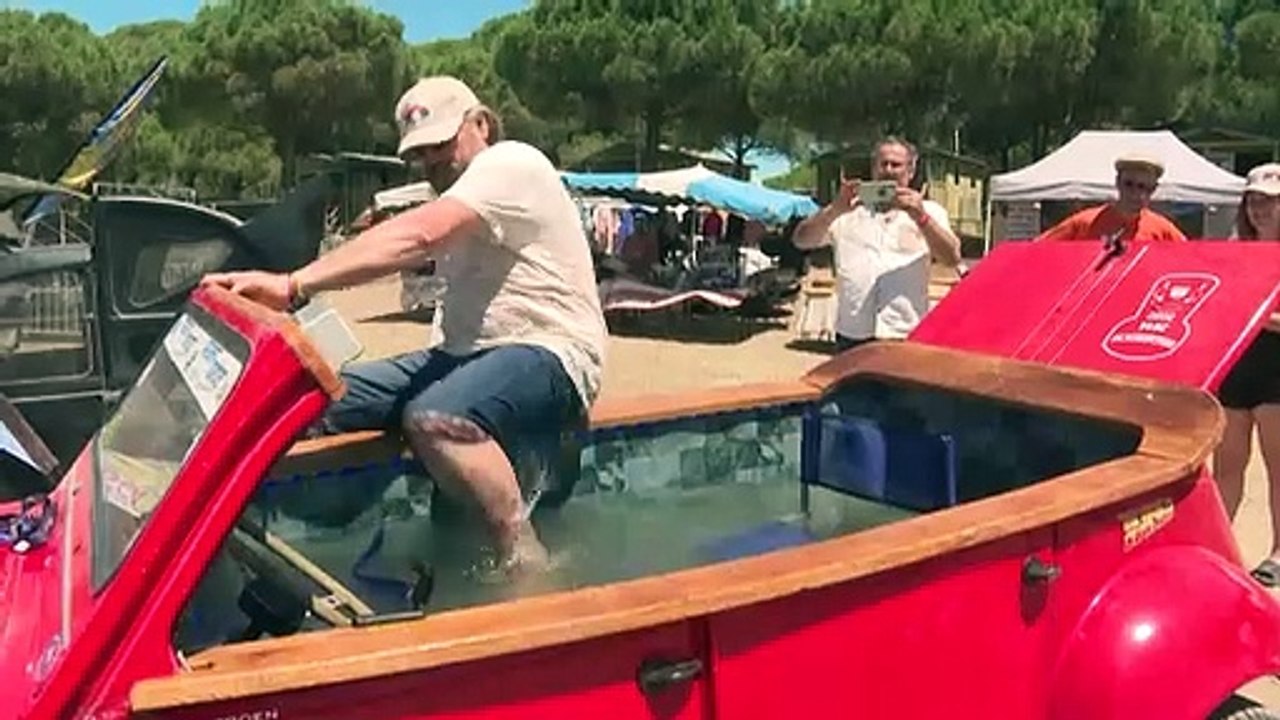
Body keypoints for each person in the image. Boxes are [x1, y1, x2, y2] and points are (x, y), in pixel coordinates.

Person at [201, 75, 608, 574]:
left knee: (435, 417)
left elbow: (417, 236)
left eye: (441, 144)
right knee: (315, 397)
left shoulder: (511, 163)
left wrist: (293, 284)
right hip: (467, 357)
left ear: (480, 124)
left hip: (552, 355)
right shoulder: (462, 197)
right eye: (420, 153)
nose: (432, 161)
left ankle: (523, 556)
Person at [792, 137, 962, 350]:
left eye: (896, 165)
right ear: (873, 169)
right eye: (883, 164)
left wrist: (921, 218)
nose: (889, 170)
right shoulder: (846, 213)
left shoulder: (930, 212)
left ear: (910, 171)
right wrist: (834, 209)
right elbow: (801, 241)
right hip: (852, 335)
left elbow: (952, 258)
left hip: (904, 333)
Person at [1213, 162, 1280, 586]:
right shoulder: (1235, 248)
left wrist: (1261, 317)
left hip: (1278, 369)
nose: (1259, 209)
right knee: (1227, 466)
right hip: (1238, 366)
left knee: (1278, 468)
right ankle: (1218, 549)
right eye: (1253, 200)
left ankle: (1278, 552)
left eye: (1269, 202)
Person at [1035, 155, 1187, 243]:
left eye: (1143, 187)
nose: (1135, 193)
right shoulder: (1084, 223)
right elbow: (1037, 248)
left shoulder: (1163, 230)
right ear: (1117, 183)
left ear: (1153, 190)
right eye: (1129, 184)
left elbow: (1192, 258)